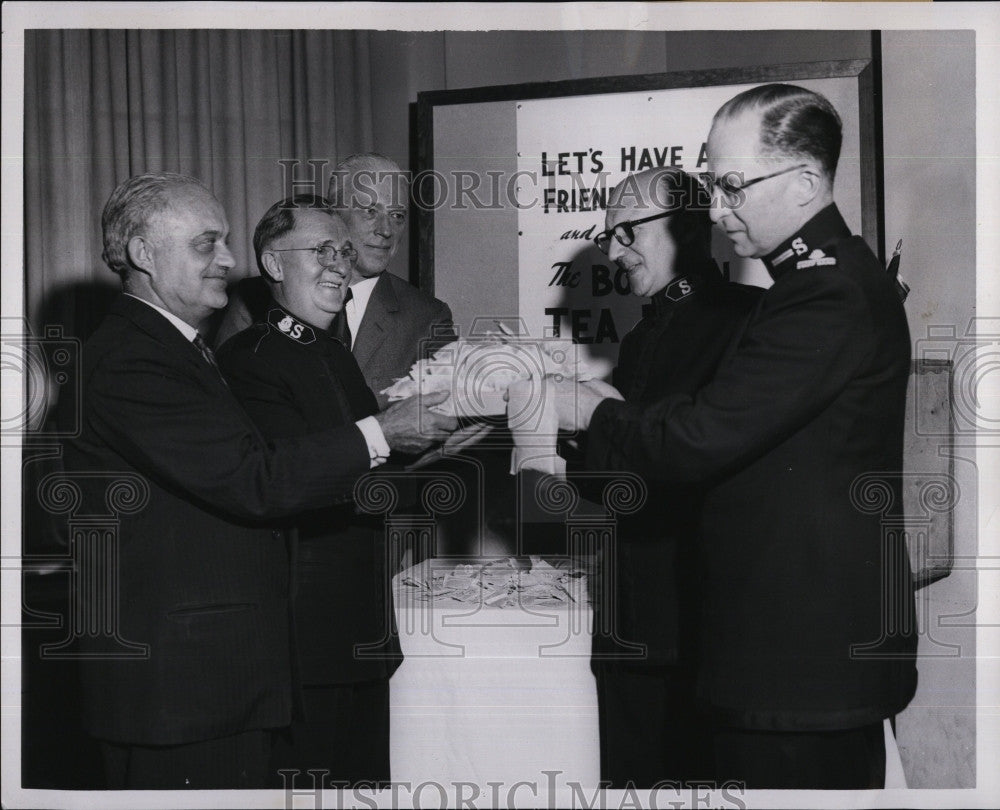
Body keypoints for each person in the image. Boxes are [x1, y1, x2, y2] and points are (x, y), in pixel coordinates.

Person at [544, 84, 916, 789]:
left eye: (734, 186)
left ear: (807, 181)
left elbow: (698, 439)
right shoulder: (807, 287)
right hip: (781, 658)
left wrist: (588, 409)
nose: (715, 210)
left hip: (798, 666)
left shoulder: (824, 292)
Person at [63, 173, 456, 789]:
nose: (227, 260)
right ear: (143, 254)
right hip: (182, 687)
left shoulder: (181, 350)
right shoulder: (134, 358)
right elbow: (256, 479)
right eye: (206, 244)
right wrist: (382, 432)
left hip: (217, 676)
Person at [586, 168, 762, 787]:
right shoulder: (638, 339)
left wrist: (594, 423)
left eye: (627, 231)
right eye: (609, 235)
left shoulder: (751, 321)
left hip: (699, 629)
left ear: (689, 230)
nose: (612, 251)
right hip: (631, 621)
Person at [216, 195, 399, 786]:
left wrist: (450, 442)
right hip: (303, 646)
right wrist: (396, 438)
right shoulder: (250, 358)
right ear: (273, 264)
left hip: (360, 632)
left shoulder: (332, 355)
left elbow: (373, 485)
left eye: (344, 251)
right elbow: (292, 485)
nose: (339, 264)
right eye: (321, 250)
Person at [215, 153, 455, 407]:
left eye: (397, 216)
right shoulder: (253, 299)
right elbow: (221, 406)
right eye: (370, 211)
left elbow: (448, 424)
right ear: (334, 213)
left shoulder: (426, 318)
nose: (386, 230)